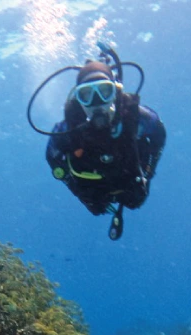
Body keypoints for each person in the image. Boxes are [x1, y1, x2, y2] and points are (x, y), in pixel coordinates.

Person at [32, 46, 166, 240]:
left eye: (104, 91)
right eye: (87, 95)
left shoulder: (135, 117)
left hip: (130, 178)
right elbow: (52, 158)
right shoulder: (67, 131)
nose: (97, 102)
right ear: (78, 99)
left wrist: (147, 173)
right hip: (93, 186)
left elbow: (159, 134)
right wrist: (79, 192)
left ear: (116, 91)